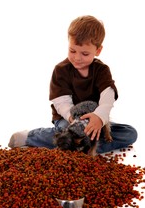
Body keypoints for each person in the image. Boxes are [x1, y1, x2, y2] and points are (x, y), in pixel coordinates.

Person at [8, 15, 137, 154]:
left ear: (98, 51)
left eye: (85, 53)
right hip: (67, 118)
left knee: (130, 133)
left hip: (93, 118)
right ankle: (32, 137)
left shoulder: (102, 70)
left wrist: (99, 117)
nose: (77, 57)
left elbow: (108, 96)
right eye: (72, 51)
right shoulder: (61, 70)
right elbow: (61, 102)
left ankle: (75, 145)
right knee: (67, 132)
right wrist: (74, 121)